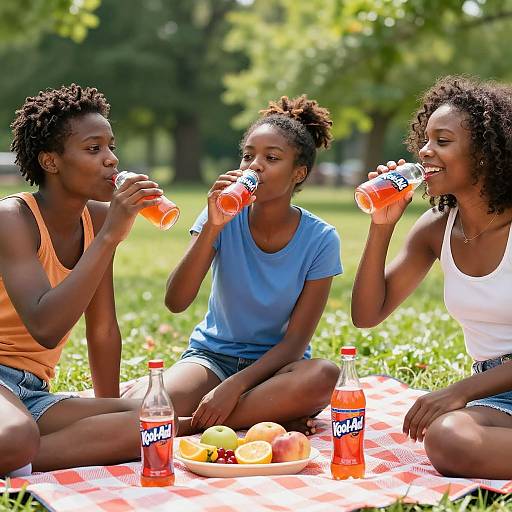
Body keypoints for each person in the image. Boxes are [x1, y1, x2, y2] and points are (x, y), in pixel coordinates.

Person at [125, 95, 342, 435]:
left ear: (298, 173)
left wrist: (234, 387)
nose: (254, 165)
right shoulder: (220, 217)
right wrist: (213, 225)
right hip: (212, 358)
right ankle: (262, 416)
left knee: (326, 375)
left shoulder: (321, 239)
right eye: (248, 155)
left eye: (271, 158)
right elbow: (176, 301)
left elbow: (295, 343)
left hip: (278, 369)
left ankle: (186, 425)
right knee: (141, 406)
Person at [351, 76, 512, 479]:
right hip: (498, 395)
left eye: (442, 141)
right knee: (447, 438)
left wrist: (459, 392)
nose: (425, 151)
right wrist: (381, 226)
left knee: (446, 437)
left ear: (485, 154)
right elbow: (367, 314)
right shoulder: (436, 228)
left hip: (478, 390)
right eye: (425, 140)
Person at [0, 84, 166, 475]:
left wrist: (105, 409)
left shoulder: (95, 219)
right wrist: (111, 237)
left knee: (148, 421)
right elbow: (46, 328)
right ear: (51, 162)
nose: (112, 161)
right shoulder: (12, 220)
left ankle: (20, 456)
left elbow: (103, 327)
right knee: (15, 438)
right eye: (94, 149)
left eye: (111, 147)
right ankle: (17, 448)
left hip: (33, 392)